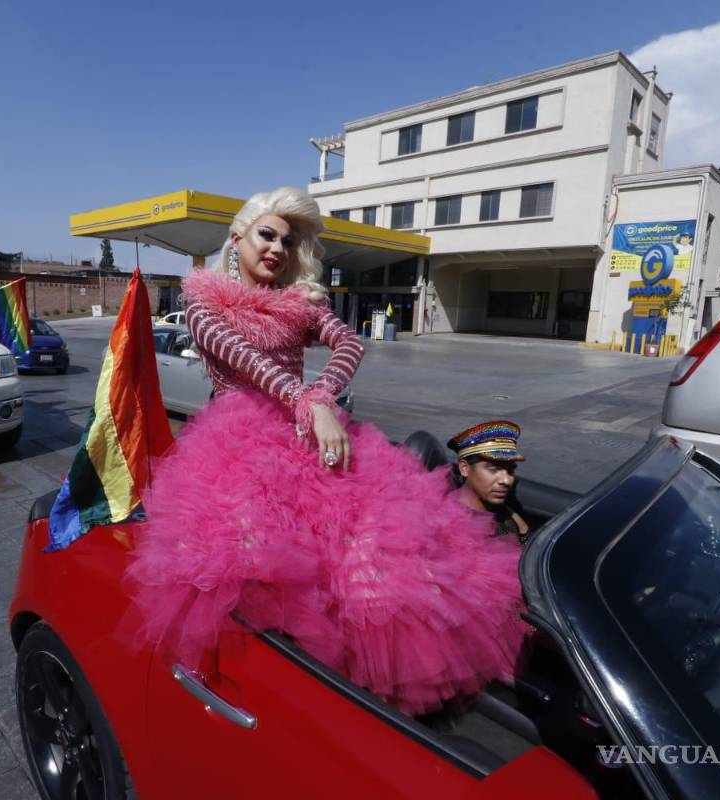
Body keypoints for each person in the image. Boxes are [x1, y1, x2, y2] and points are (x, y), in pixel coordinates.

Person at [125, 187, 528, 716]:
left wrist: (318, 397)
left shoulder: (299, 302)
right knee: (261, 563)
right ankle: (277, 693)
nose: (276, 249)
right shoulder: (203, 301)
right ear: (236, 238)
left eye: (287, 242)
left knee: (370, 551)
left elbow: (350, 343)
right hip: (239, 444)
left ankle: (378, 682)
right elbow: (245, 361)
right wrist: (305, 402)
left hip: (312, 434)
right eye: (266, 235)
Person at [447, 421, 530, 544]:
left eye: (510, 470)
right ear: (465, 468)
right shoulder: (450, 523)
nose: (506, 480)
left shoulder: (498, 507)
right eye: (493, 469)